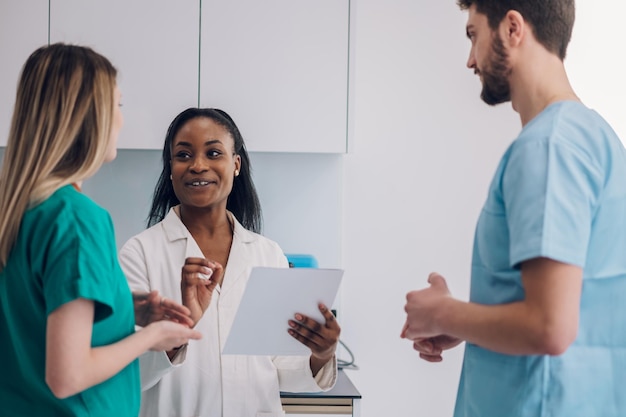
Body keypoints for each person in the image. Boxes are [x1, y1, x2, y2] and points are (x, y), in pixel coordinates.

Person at [401, 1, 626, 416]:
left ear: (512, 28)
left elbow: (551, 327)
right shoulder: (597, 137)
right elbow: (575, 313)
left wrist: (445, 313)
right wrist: (463, 323)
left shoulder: (548, 146)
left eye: (473, 35)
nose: (470, 60)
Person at [0, 43, 202, 417]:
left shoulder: (15, 211)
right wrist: (151, 337)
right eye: (118, 105)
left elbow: (34, 325)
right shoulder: (77, 219)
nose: (121, 121)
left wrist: (126, 311)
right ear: (87, 117)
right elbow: (67, 375)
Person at [119, 107, 340, 417]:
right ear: (170, 169)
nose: (198, 165)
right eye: (183, 155)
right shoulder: (139, 254)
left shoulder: (267, 254)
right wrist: (179, 331)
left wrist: (321, 352)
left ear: (235, 165)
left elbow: (279, 367)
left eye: (213, 153)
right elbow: (126, 371)